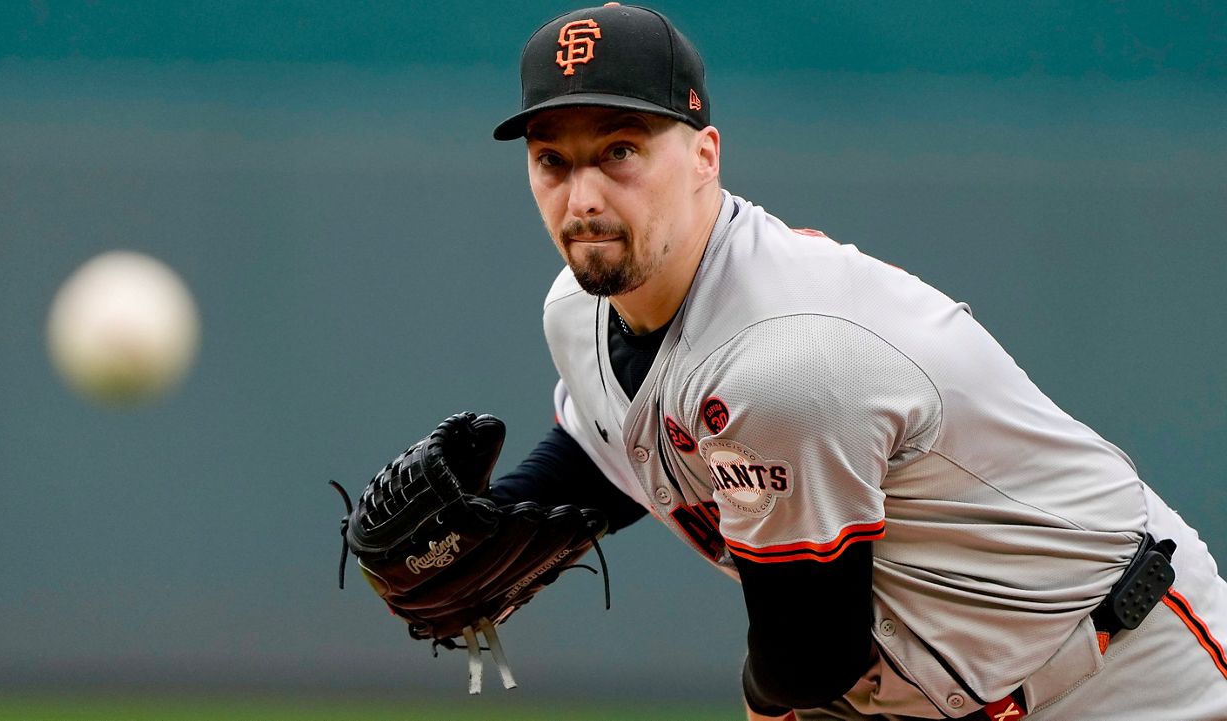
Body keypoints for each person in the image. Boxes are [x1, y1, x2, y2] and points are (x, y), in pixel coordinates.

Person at [482, 4, 1227, 719]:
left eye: (620, 151)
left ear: (705, 154)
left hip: (1128, 673)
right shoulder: (579, 312)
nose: (583, 198)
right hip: (939, 691)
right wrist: (480, 531)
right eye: (553, 160)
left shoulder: (784, 355)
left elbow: (807, 658)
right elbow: (609, 444)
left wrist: (770, 695)